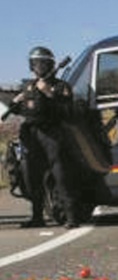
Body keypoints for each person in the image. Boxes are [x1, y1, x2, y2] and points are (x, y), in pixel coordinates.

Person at [10, 46, 77, 228]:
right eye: (35, 63)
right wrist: (15, 102)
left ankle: (71, 217)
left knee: (60, 175)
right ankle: (37, 216)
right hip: (31, 135)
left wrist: (48, 93)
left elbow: (68, 111)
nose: (39, 66)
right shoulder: (28, 86)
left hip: (52, 134)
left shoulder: (61, 87)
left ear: (50, 64)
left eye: (42, 63)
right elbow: (19, 110)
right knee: (31, 177)